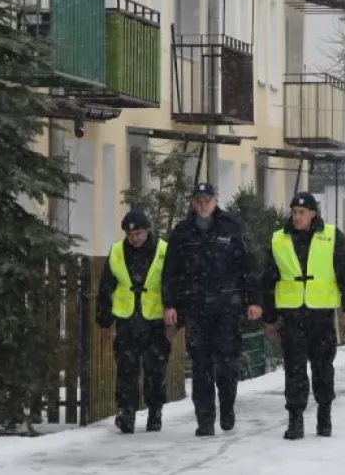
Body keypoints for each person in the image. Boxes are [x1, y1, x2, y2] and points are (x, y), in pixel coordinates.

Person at [162, 182, 262, 437]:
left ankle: (227, 408)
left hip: (227, 307)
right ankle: (205, 420)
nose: (203, 204)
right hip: (196, 308)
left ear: (216, 201)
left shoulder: (232, 226)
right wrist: (170, 304)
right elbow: (171, 271)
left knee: (227, 365)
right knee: (201, 366)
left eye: (207, 200)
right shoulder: (183, 231)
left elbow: (249, 265)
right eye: (198, 200)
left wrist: (254, 301)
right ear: (192, 202)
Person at [263, 191, 345, 440]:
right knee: (294, 368)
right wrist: (270, 317)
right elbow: (267, 280)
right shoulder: (279, 239)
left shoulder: (331, 236)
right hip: (292, 314)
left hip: (321, 314)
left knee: (323, 367)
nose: (297, 217)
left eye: (302, 213)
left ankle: (324, 415)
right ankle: (295, 419)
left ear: (313, 214)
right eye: (294, 212)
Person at [96, 210, 171, 434]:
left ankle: (155, 412)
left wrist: (175, 315)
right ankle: (126, 413)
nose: (134, 238)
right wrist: (104, 321)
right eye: (130, 235)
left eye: (138, 233)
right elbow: (106, 287)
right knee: (126, 370)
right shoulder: (117, 251)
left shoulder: (163, 251)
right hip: (127, 320)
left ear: (147, 230)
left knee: (155, 370)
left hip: (154, 321)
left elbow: (173, 284)